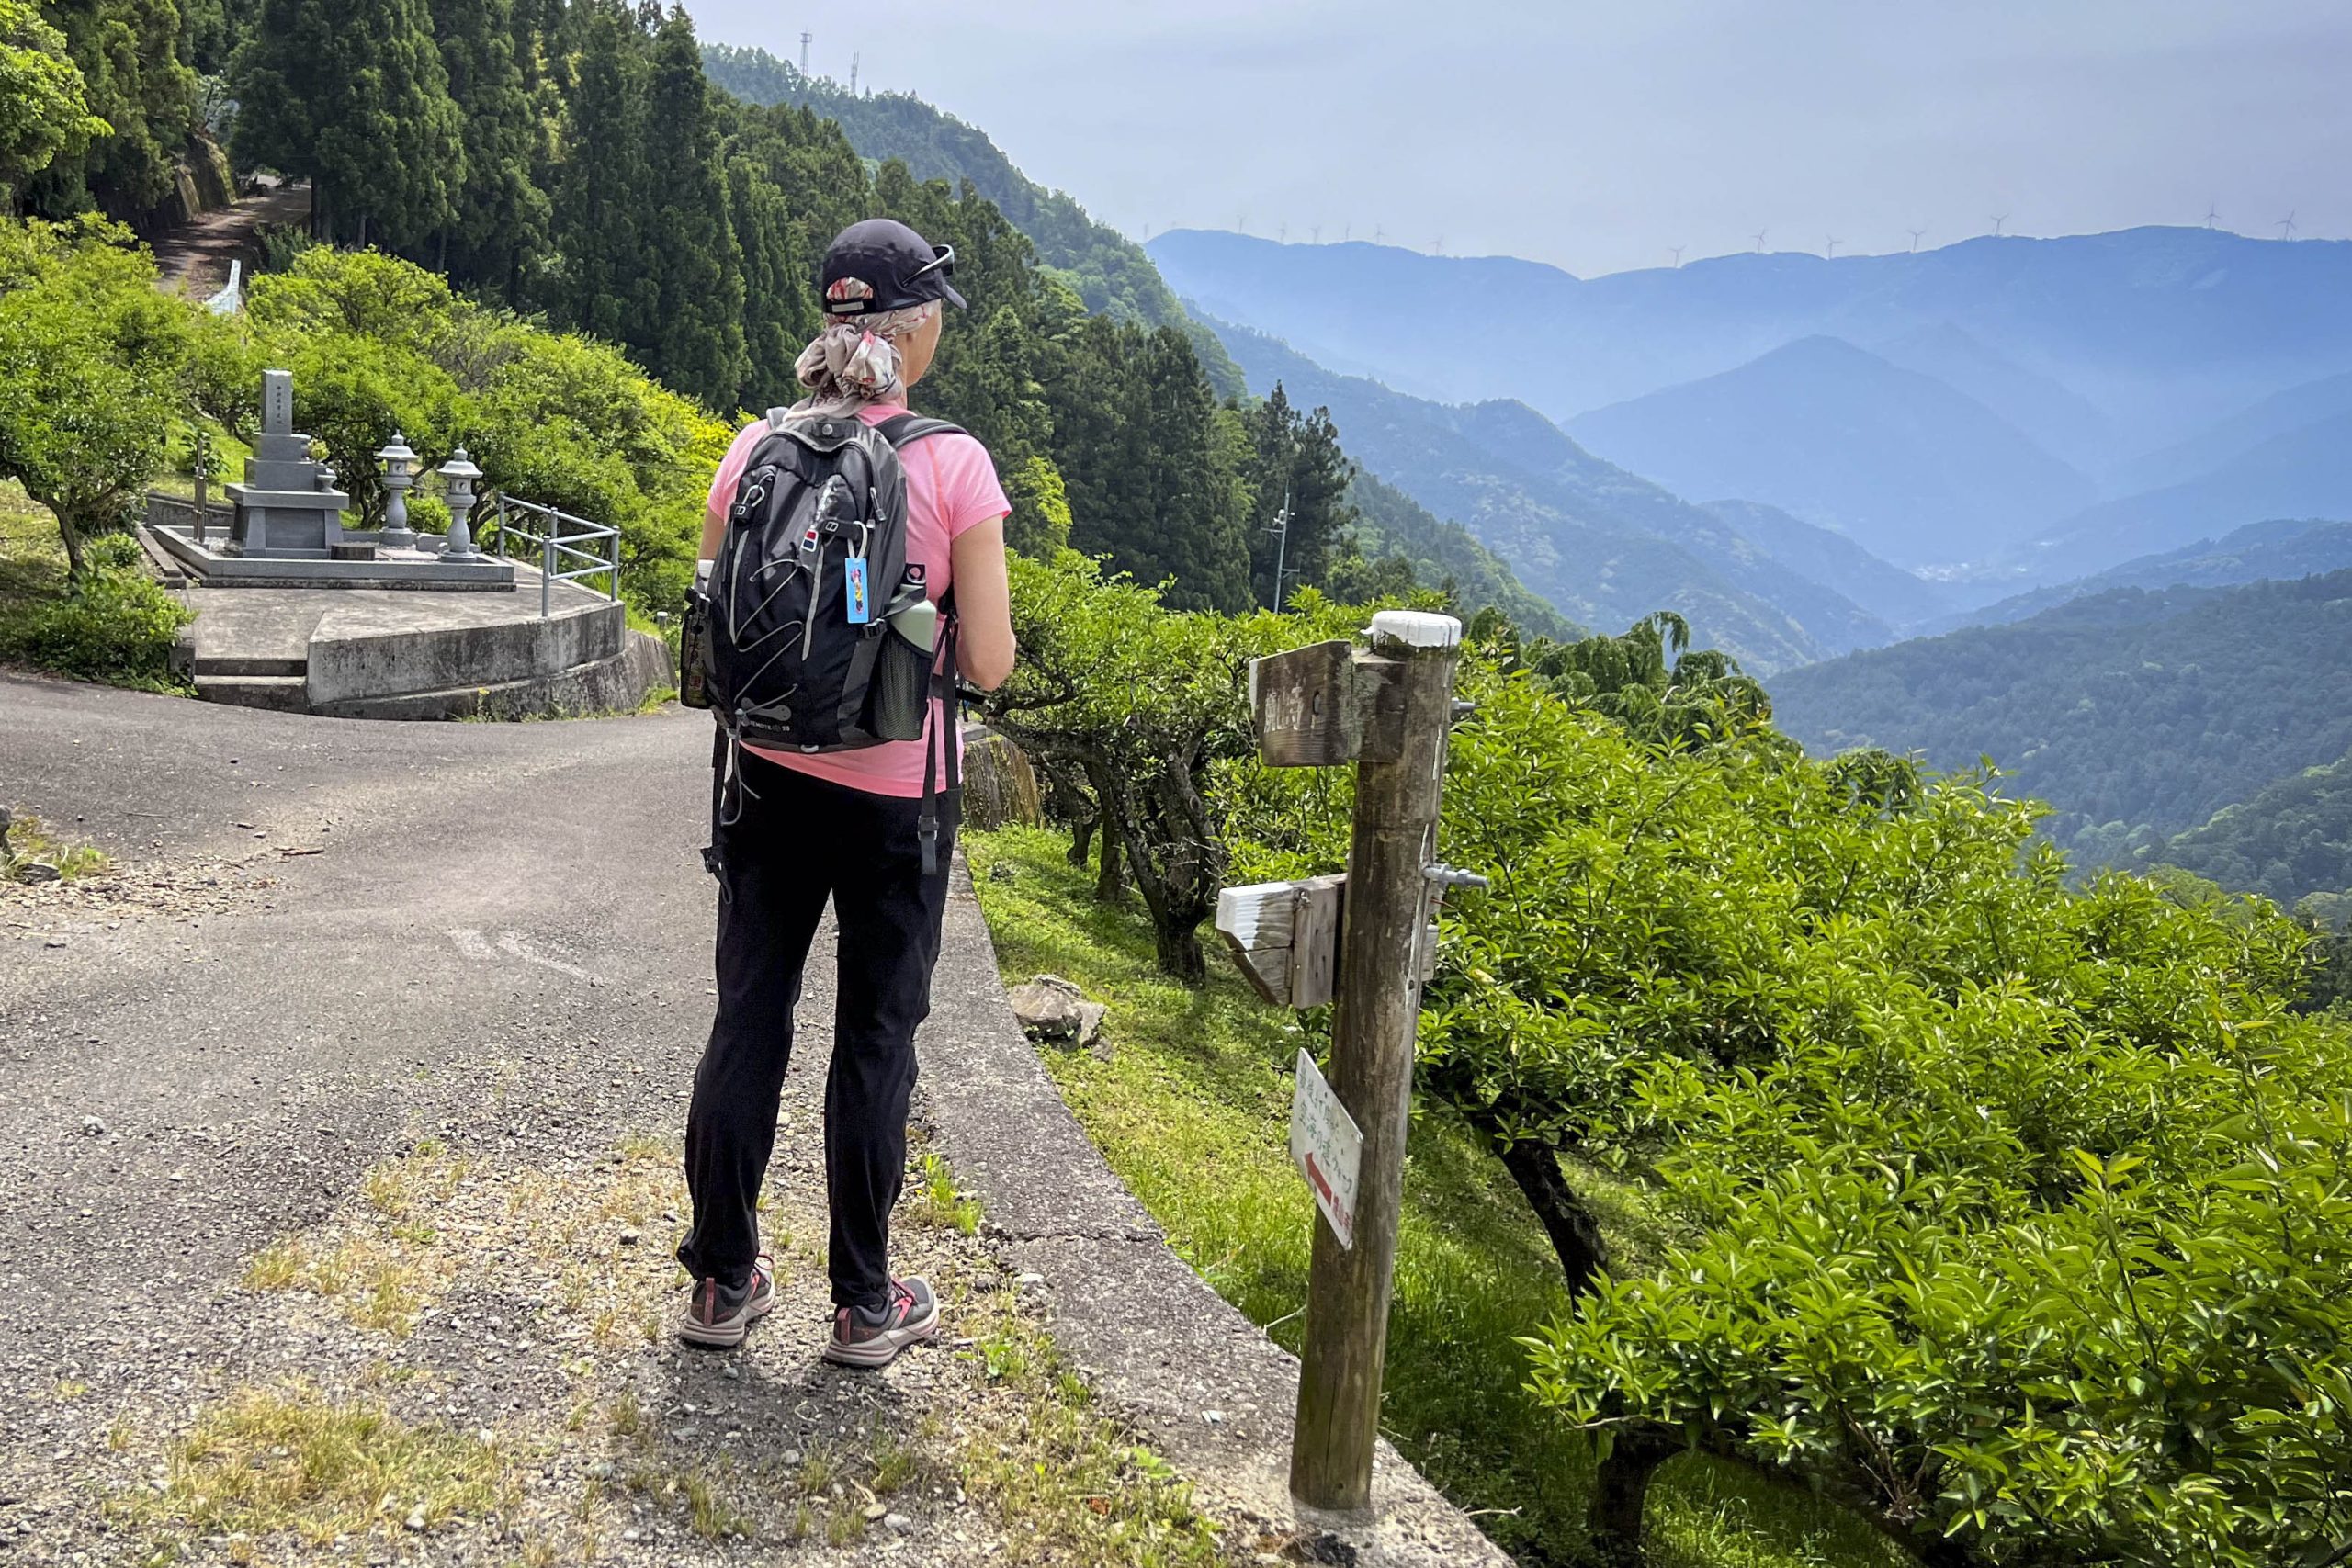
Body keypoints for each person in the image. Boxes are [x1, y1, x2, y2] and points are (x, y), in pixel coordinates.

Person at [676, 218, 1017, 1363]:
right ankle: (864, 1305)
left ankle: (721, 1284)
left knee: (749, 1016)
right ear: (913, 333)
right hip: (896, 798)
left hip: (764, 780)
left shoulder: (752, 446)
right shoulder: (953, 462)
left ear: (829, 324)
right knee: (874, 1034)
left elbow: (717, 607)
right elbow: (989, 665)